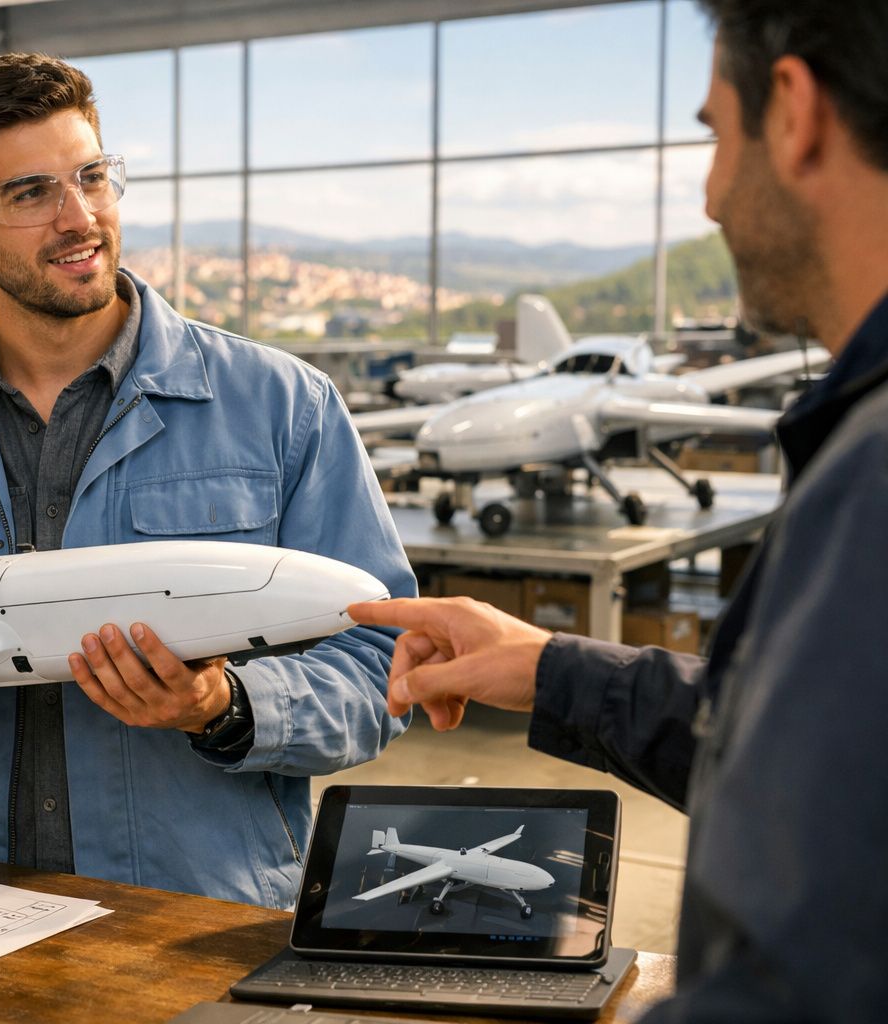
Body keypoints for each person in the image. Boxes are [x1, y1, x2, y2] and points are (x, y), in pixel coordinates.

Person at [0, 52, 416, 908]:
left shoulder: (284, 408)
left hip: (194, 925)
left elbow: (382, 663)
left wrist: (224, 703)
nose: (81, 218)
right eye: (29, 193)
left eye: (93, 176)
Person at [348, 2, 888, 1017]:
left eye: (715, 137)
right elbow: (807, 767)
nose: (713, 197)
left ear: (796, 111)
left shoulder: (873, 471)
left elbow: (811, 973)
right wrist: (553, 667)